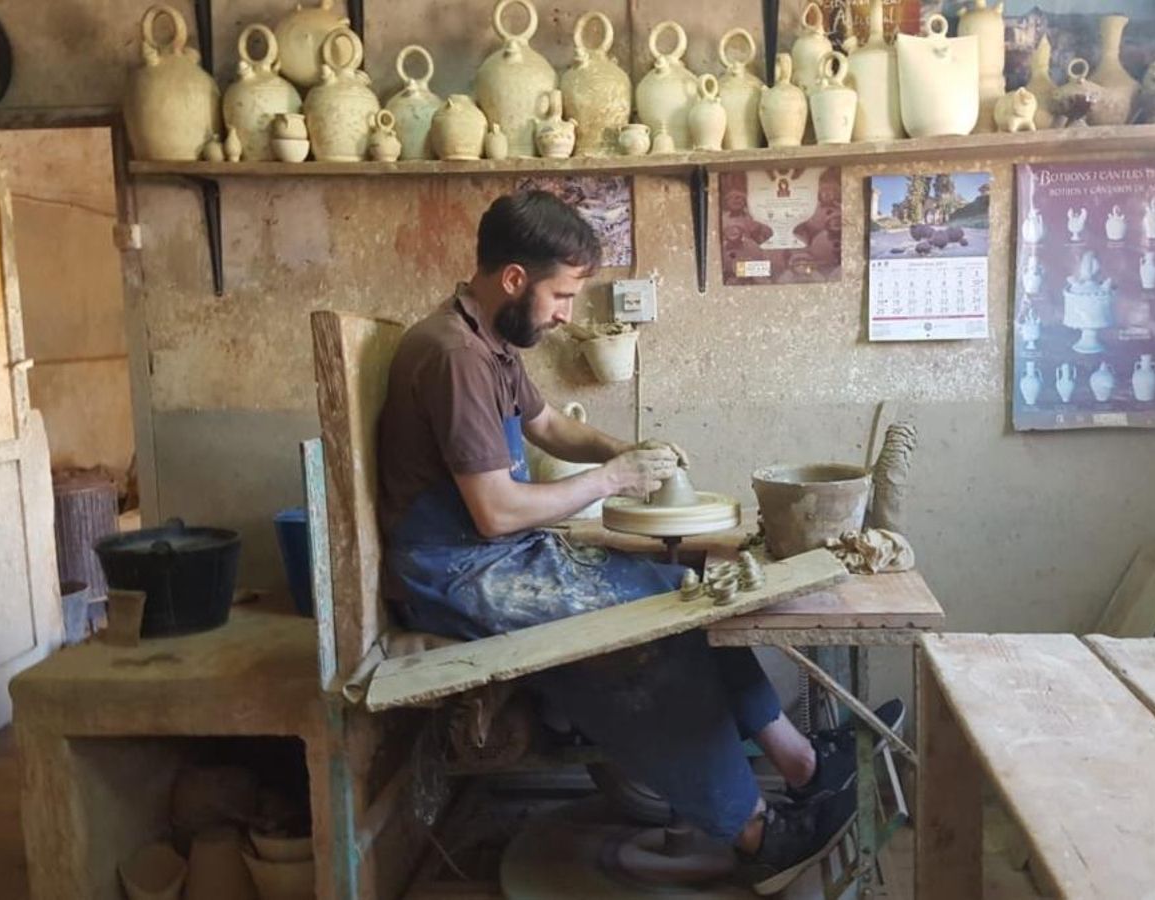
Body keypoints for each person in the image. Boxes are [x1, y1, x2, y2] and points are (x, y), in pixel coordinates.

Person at [377, 190, 900, 894]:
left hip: (499, 553)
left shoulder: (489, 341)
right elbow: (497, 511)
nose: (565, 314)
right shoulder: (453, 357)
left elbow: (550, 429)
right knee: (645, 645)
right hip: (458, 572)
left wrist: (629, 450)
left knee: (683, 593)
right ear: (513, 279)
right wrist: (614, 480)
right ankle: (757, 833)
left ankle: (801, 762)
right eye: (561, 295)